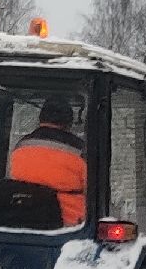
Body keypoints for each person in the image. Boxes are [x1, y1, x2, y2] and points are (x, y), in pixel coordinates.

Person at [6, 96, 87, 226]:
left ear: (41, 118)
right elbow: (92, 188)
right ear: (69, 122)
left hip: (21, 218)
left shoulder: (21, 146)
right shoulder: (79, 150)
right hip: (68, 225)